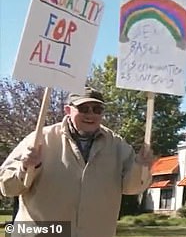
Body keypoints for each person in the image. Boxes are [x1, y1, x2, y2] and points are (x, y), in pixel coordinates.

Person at [0, 87, 153, 237]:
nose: (90, 114)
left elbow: (132, 188)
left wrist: (140, 166)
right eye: (84, 108)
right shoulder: (40, 139)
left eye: (97, 109)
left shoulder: (117, 145)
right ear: (68, 110)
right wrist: (25, 167)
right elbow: (7, 188)